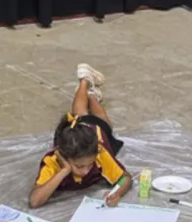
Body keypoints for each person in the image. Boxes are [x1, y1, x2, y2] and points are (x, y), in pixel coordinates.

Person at [28, 64, 132, 209]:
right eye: (79, 166)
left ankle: (90, 93)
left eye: (90, 164)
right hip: (78, 129)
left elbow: (125, 178)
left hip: (97, 131)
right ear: (64, 156)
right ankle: (86, 85)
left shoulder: (100, 154)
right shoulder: (53, 162)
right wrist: (64, 170)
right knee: (80, 114)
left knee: (103, 121)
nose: (86, 171)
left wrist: (117, 193)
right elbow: (34, 201)